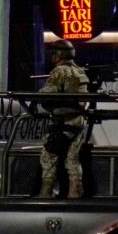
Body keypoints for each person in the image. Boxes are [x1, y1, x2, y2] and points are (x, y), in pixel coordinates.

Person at [38, 39, 89, 199]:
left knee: (49, 156)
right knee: (72, 159)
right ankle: (75, 192)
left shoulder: (59, 71)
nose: (51, 57)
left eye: (53, 54)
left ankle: (46, 192)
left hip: (62, 122)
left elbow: (46, 94)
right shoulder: (80, 71)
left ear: (59, 54)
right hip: (78, 122)